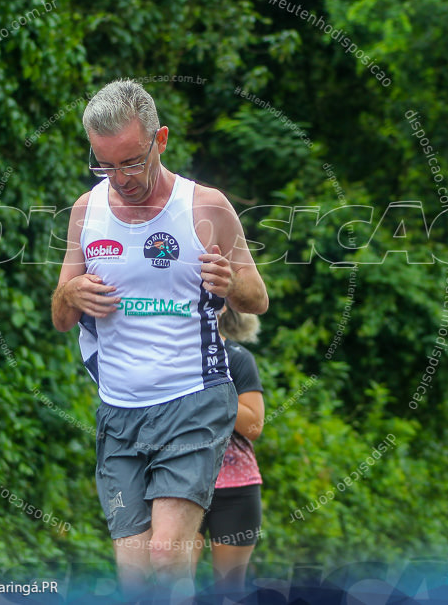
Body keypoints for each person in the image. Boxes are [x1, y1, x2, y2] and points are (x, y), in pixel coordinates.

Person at [51, 79, 269, 600]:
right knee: (135, 574)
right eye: (105, 165)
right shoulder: (86, 211)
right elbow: (60, 314)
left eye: (130, 162)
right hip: (120, 410)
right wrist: (72, 294)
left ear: (160, 140)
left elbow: (255, 298)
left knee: (167, 553)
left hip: (194, 398)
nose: (120, 178)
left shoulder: (207, 206)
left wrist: (228, 282)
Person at [192, 304, 264, 595]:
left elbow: (254, 427)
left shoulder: (237, 358)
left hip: (235, 489)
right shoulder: (164, 356)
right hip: (177, 481)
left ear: (219, 308)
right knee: (171, 584)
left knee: (230, 592)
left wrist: (214, 386)